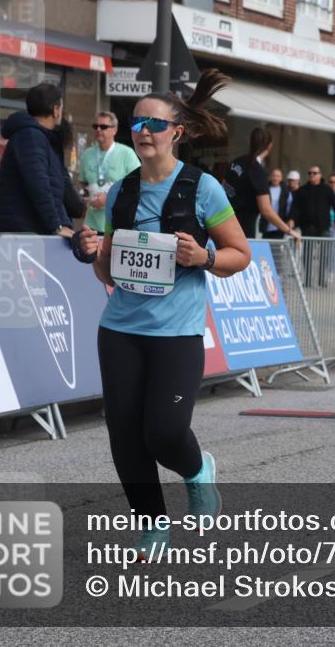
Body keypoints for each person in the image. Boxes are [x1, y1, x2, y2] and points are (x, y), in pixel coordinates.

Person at [74, 70, 251, 557]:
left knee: (164, 432)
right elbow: (107, 274)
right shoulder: (121, 193)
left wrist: (205, 258)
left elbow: (241, 254)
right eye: (137, 122)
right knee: (125, 435)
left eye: (155, 123)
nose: (144, 130)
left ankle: (197, 471)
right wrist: (94, 251)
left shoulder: (203, 189)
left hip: (176, 332)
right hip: (120, 329)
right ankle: (152, 525)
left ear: (178, 132)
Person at [0, 83, 74, 236]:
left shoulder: (41, 138)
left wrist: (65, 220)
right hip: (22, 231)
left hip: (31, 228)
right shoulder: (30, 136)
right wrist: (56, 226)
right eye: (61, 107)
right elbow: (38, 184)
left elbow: (54, 188)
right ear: (55, 110)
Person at [225, 127, 294, 240]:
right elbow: (266, 209)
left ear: (250, 142)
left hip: (222, 222)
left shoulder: (236, 162)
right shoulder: (258, 172)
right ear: (269, 146)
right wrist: (289, 230)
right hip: (242, 231)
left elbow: (224, 185)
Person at [78, 111, 141, 232]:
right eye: (95, 126)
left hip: (117, 224)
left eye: (103, 127)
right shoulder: (87, 154)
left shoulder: (127, 153)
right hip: (91, 224)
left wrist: (110, 198)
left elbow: (138, 185)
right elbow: (83, 183)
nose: (99, 130)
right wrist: (87, 197)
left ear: (114, 130)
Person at [260, 168, 294, 239]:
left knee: (277, 249)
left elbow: (289, 208)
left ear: (281, 178)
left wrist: (288, 221)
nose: (275, 178)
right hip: (266, 225)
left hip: (279, 226)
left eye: (278, 176)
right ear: (270, 177)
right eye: (274, 176)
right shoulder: (264, 189)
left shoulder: (286, 192)